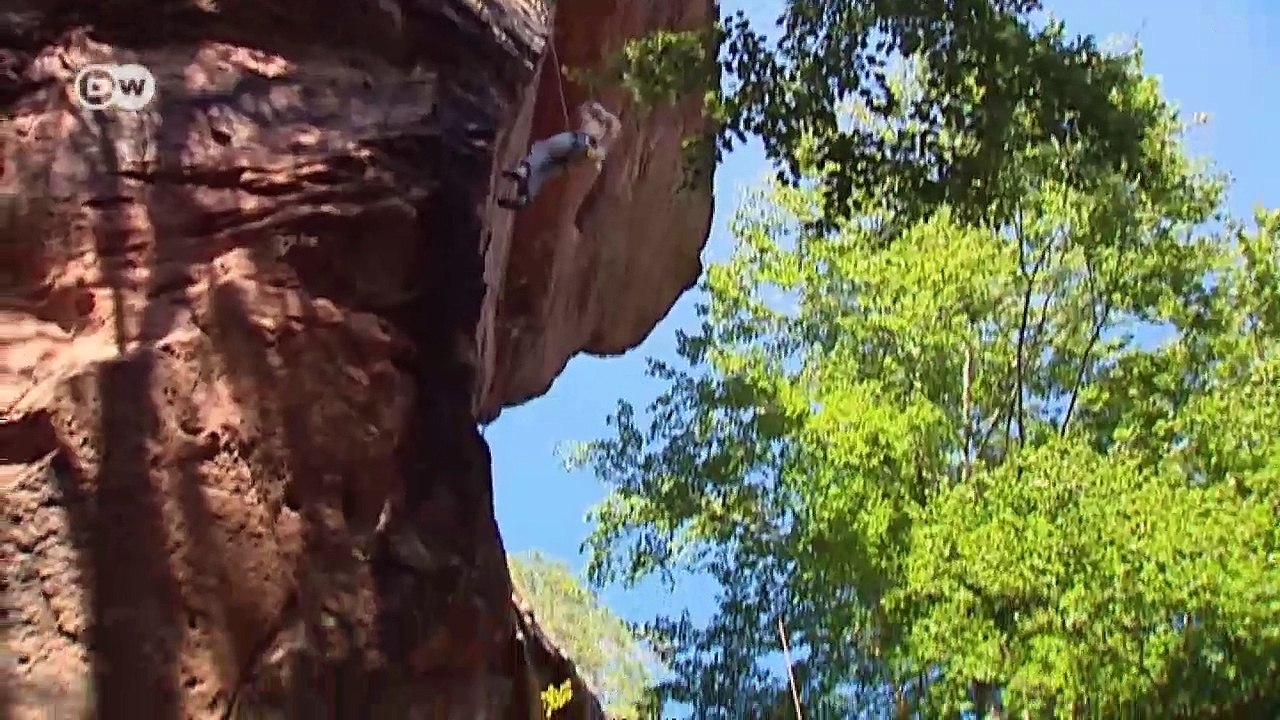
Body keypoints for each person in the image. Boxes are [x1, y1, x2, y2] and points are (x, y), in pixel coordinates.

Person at [498, 101, 620, 210]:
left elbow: (584, 109)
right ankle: (525, 196)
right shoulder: (602, 146)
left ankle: (523, 171)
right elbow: (596, 159)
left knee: (542, 149)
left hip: (576, 140)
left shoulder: (596, 118)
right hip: (571, 161)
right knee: (542, 172)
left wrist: (590, 114)